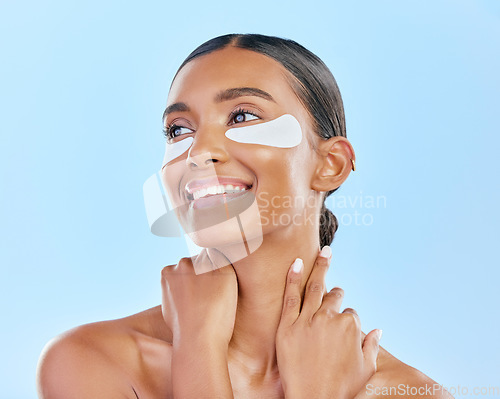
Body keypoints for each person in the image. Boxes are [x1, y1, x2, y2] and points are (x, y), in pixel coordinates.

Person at [36, 33, 453, 398]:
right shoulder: (90, 362)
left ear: (330, 165)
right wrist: (198, 346)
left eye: (242, 116)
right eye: (179, 129)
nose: (198, 152)